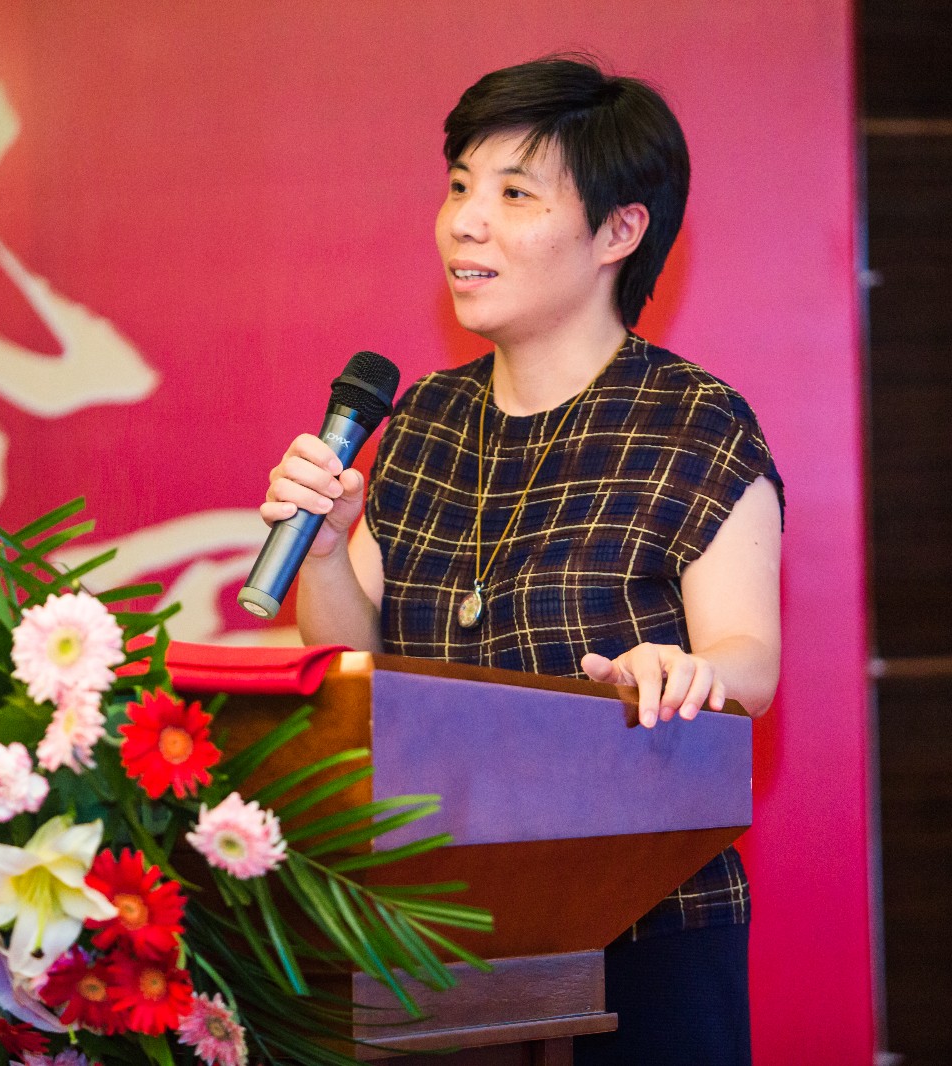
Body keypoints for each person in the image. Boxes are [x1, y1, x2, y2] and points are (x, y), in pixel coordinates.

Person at [259, 55, 782, 1066]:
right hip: (438, 923)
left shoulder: (694, 421)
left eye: (513, 194)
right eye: (459, 186)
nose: (465, 222)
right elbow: (358, 663)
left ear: (618, 232)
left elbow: (749, 660)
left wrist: (684, 670)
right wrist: (322, 553)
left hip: (641, 923)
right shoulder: (425, 417)